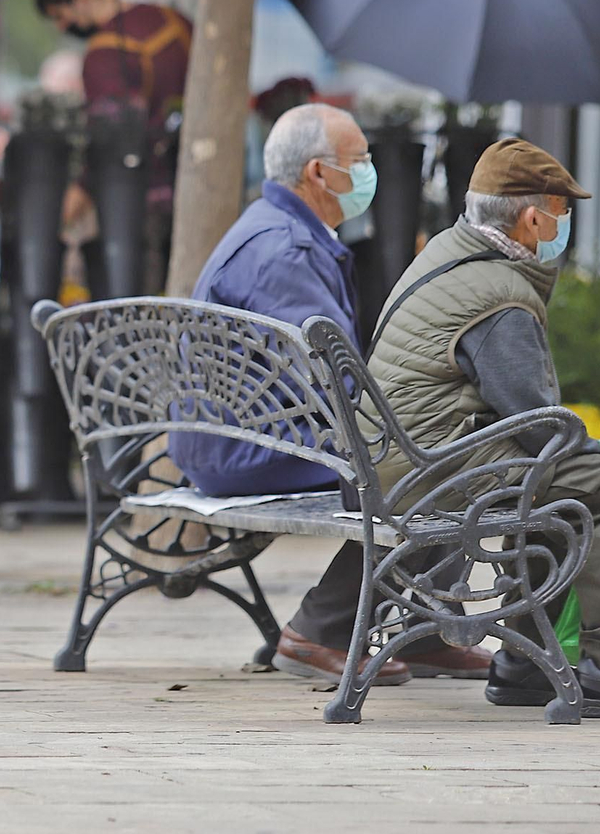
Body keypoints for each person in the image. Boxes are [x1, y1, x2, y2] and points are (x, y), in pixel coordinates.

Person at [367, 139, 600, 719]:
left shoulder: (452, 254)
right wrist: (590, 451)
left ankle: (524, 665)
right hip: (430, 468)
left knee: (565, 477)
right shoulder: (499, 295)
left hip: (400, 452)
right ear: (532, 218)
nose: (564, 226)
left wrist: (574, 453)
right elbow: (534, 415)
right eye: (562, 212)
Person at [169, 104, 491, 686]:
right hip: (242, 446)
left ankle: (431, 626)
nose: (370, 172)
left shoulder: (275, 226)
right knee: (426, 466)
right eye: (361, 160)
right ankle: (320, 629)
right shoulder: (285, 249)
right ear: (319, 174)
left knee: (428, 453)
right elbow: (333, 378)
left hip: (232, 435)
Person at [36, 0, 192, 293]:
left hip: (140, 205)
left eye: (60, 15)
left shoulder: (105, 52)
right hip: (196, 192)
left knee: (141, 318)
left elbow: (107, 143)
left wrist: (75, 198)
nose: (62, 27)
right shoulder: (176, 22)